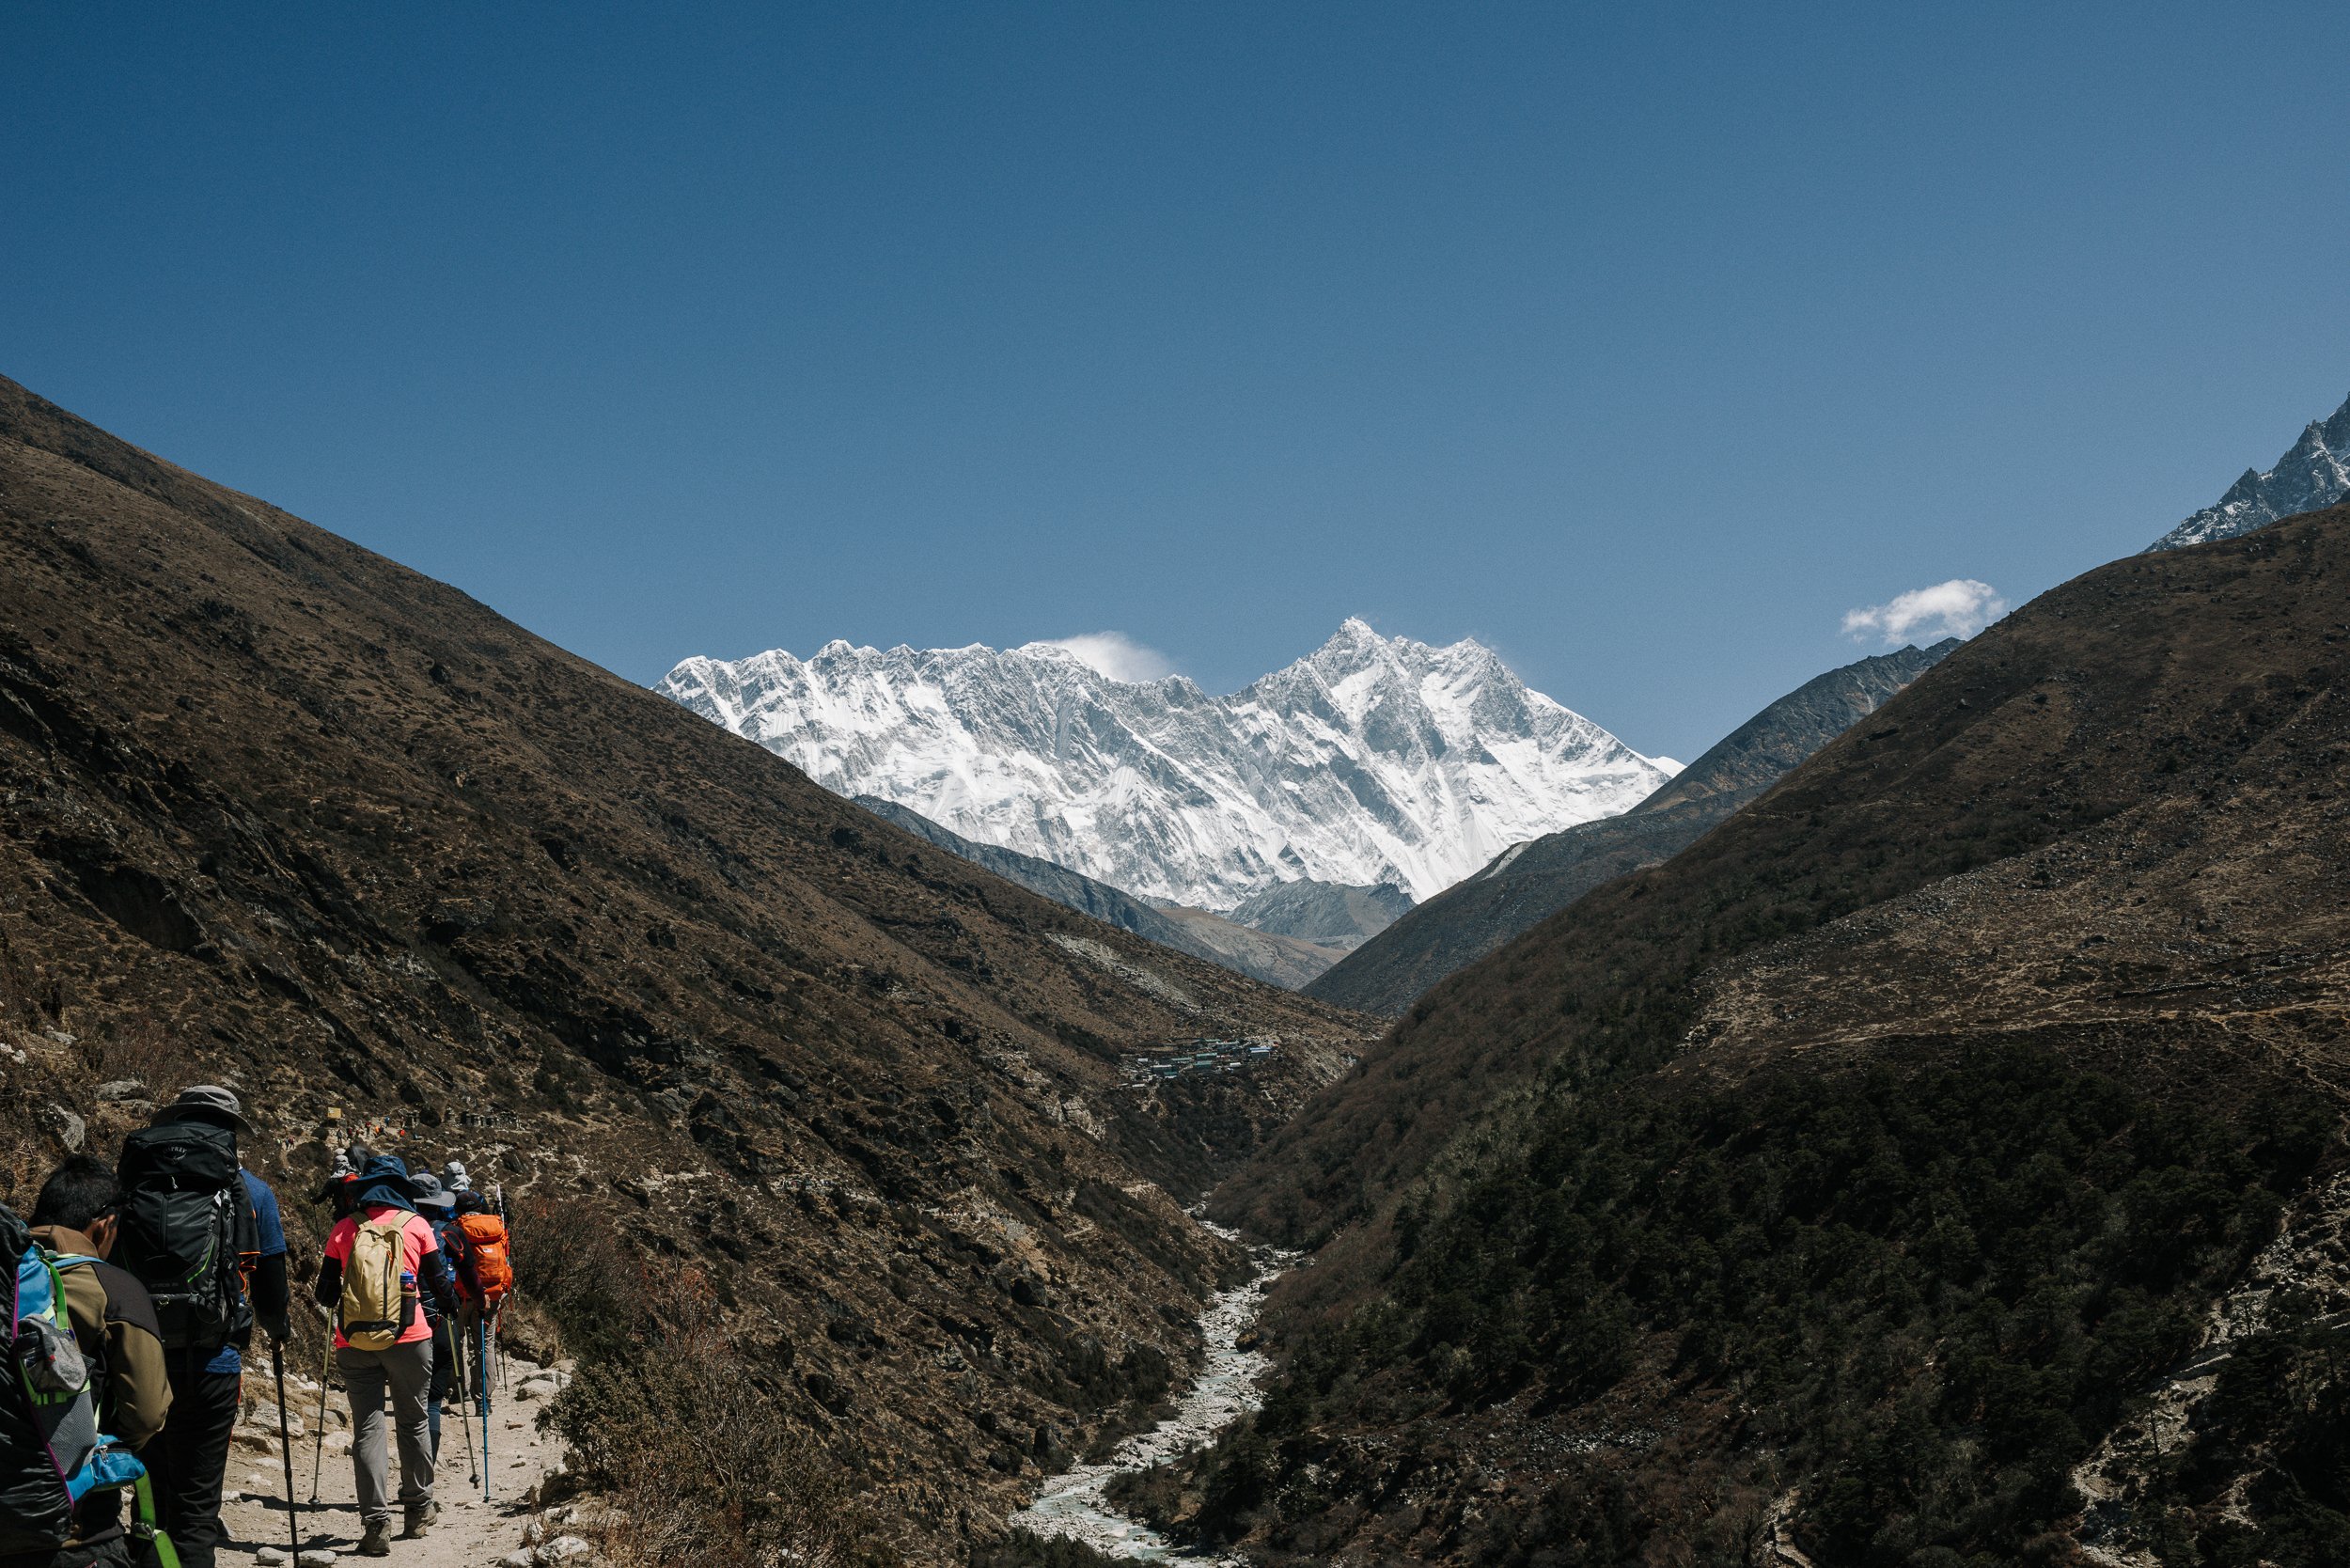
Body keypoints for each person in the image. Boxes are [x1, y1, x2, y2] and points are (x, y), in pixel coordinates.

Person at [118, 1086, 288, 1568]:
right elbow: (272, 1283)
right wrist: (278, 1331)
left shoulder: (133, 1180)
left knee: (149, 1496)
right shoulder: (251, 1190)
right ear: (231, 1131)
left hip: (139, 1359)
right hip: (214, 1361)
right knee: (195, 1505)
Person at [2, 1158, 174, 1568]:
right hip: (75, 1531)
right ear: (104, 1225)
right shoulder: (113, 1288)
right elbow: (148, 1412)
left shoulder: (7, 1278)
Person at [314, 1156, 457, 1557]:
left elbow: (324, 1294)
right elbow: (440, 1284)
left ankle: (375, 1523)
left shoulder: (344, 1229)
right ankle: (417, 1509)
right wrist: (448, 1309)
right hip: (410, 1338)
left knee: (368, 1430)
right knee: (412, 1422)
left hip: (355, 1343)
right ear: (400, 1187)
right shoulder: (417, 1226)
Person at [406, 1173, 462, 1464]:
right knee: (433, 1403)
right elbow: (465, 1277)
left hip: (401, 1322)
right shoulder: (448, 1233)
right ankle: (424, 1472)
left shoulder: (396, 1231)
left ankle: (410, 1475)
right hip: (438, 1319)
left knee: (409, 1404)